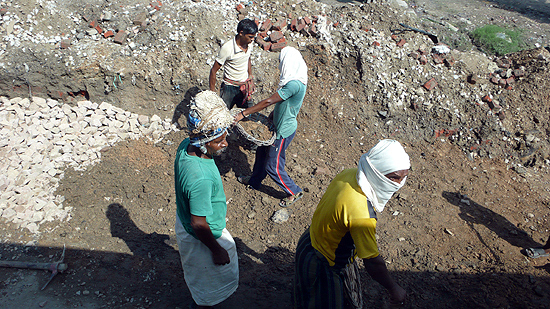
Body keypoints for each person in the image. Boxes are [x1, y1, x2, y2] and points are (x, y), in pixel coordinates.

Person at [294, 139, 411, 309]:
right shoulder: (362, 215)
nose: (399, 184)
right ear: (376, 172)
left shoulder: (350, 174)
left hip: (308, 241)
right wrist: (394, 288)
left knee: (307, 297)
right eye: (394, 178)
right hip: (323, 264)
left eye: (403, 177)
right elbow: (372, 262)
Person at [174, 90, 238, 308]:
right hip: (202, 235)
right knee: (211, 292)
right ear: (204, 141)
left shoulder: (186, 146)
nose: (225, 143)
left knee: (200, 282)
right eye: (219, 140)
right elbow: (199, 224)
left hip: (184, 220)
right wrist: (217, 249)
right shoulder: (201, 179)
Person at [234, 46, 307, 207]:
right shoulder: (292, 80)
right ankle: (254, 181)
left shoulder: (294, 85)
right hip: (276, 125)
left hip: (283, 131)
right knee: (261, 153)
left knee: (272, 165)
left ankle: (293, 191)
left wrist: (244, 114)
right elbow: (284, 106)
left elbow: (269, 101)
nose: (280, 65)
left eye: (282, 61)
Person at [209, 18, 258, 110]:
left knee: (248, 115)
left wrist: (250, 76)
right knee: (223, 115)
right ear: (241, 33)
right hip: (229, 88)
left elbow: (248, 58)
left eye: (253, 37)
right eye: (250, 37)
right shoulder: (227, 48)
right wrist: (212, 93)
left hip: (244, 87)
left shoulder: (249, 44)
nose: (252, 40)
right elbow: (213, 70)